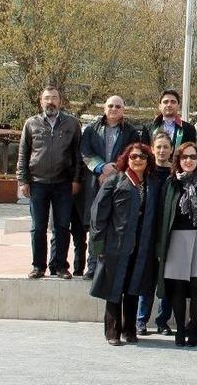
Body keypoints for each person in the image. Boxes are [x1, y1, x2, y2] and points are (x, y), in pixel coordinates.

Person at [89, 143, 159, 346]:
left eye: (143, 157)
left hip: (141, 245)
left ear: (148, 161)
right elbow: (98, 214)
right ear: (127, 159)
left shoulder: (152, 184)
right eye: (134, 156)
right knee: (114, 288)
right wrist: (98, 246)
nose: (138, 160)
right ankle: (112, 331)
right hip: (116, 244)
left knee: (133, 287)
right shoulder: (115, 180)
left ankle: (130, 330)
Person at [18, 86, 83, 280]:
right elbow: (23, 153)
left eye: (54, 98)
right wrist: (23, 179)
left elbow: (78, 154)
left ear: (60, 102)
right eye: (47, 98)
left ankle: (60, 266)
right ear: (41, 101)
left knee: (62, 226)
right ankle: (38, 266)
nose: (50, 102)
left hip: (64, 183)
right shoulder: (31, 124)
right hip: (38, 183)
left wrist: (76, 180)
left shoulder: (72, 123)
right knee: (38, 227)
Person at [157, 142, 197, 347]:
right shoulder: (170, 184)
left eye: (192, 157)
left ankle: (195, 326)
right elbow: (161, 217)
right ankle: (180, 329)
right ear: (178, 161)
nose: (189, 161)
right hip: (176, 241)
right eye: (184, 157)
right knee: (178, 288)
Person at [80, 95, 140, 279]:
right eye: (110, 106)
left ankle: (108, 267)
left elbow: (132, 154)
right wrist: (101, 168)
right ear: (104, 108)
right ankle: (92, 266)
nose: (114, 109)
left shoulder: (131, 132)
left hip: (120, 184)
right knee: (95, 224)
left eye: (118, 106)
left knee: (116, 225)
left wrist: (114, 171)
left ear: (123, 110)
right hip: (95, 183)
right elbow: (85, 152)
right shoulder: (91, 130)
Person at [136, 133, 175, 336]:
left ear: (171, 149)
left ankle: (162, 321)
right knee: (147, 278)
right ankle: (141, 320)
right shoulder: (146, 172)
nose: (161, 151)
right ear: (152, 148)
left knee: (167, 280)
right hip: (148, 233)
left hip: (169, 233)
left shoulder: (175, 173)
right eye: (158, 147)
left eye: (165, 147)